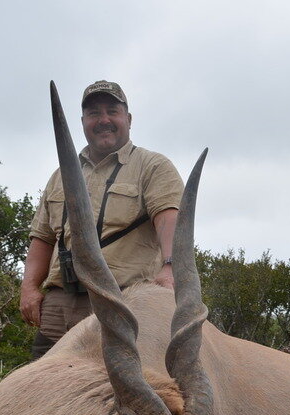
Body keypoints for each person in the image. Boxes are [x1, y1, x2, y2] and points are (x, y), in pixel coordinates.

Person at [21, 80, 184, 358]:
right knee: (45, 392)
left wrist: (169, 268)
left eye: (112, 111)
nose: (104, 120)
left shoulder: (153, 166)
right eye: (94, 113)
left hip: (123, 303)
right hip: (59, 310)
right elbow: (43, 238)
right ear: (83, 121)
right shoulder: (61, 175)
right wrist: (28, 288)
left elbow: (170, 221)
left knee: (122, 393)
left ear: (128, 119)